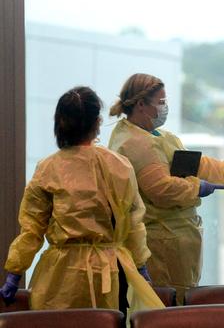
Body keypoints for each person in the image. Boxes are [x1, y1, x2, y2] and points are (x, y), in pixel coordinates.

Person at [107, 73, 224, 304]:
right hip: (160, 243)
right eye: (161, 103)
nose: (165, 108)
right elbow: (161, 189)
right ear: (141, 105)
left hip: (175, 240)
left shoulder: (156, 136)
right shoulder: (135, 143)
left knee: (182, 303)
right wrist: (197, 187)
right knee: (171, 309)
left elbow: (197, 164)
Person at [0, 87, 162, 311]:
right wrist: (141, 264)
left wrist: (14, 272)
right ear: (97, 122)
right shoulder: (119, 165)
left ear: (59, 122)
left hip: (62, 277)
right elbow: (134, 222)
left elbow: (32, 228)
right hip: (112, 272)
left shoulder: (48, 168)